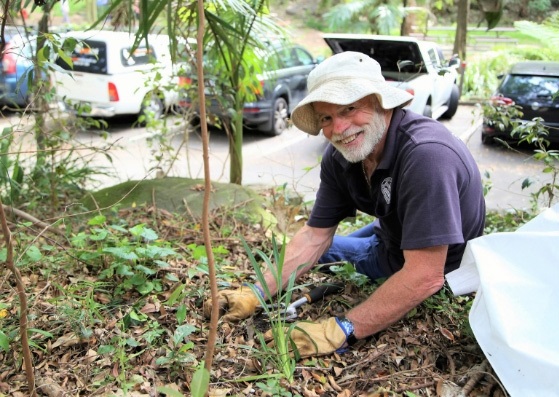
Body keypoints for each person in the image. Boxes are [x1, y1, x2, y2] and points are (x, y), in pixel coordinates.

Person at [204, 51, 486, 359]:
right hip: (391, 230)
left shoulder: (427, 157)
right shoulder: (342, 156)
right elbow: (314, 235)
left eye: (350, 109)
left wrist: (340, 329)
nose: (338, 129)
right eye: (326, 117)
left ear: (381, 102)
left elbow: (424, 274)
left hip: (426, 262)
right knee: (308, 246)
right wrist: (257, 291)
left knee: (325, 252)